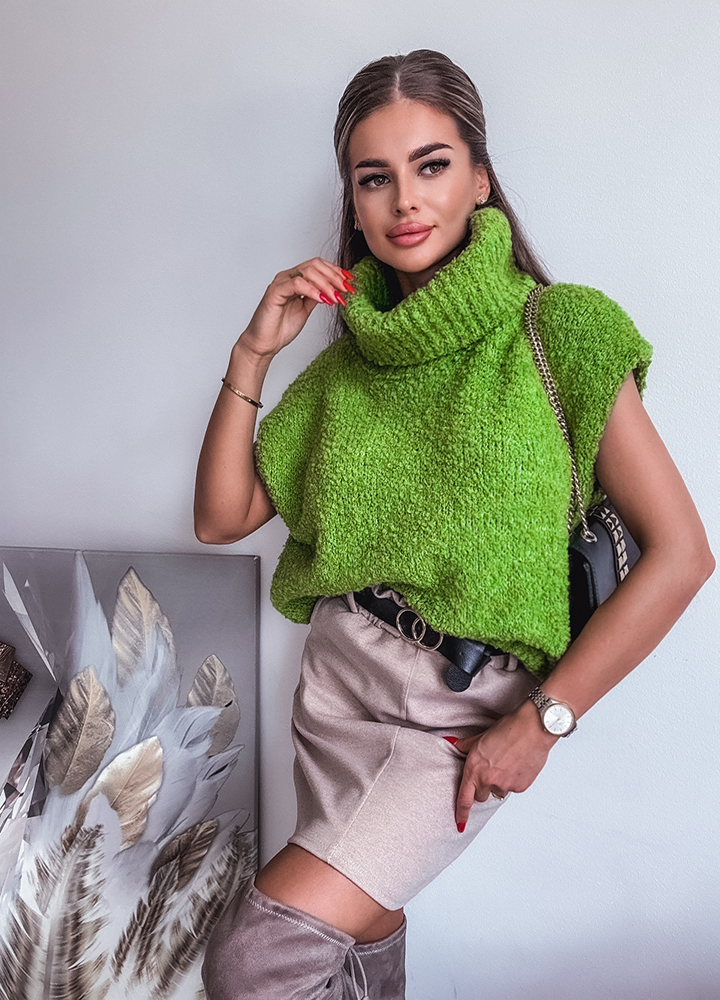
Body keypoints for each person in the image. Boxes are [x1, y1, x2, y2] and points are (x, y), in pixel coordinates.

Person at [194, 49, 714, 1000]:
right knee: (354, 947)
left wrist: (545, 720)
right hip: (337, 692)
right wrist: (252, 353)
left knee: (256, 959)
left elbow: (683, 555)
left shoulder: (563, 331)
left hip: (455, 711)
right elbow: (221, 519)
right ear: (354, 206)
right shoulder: (343, 371)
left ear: (480, 179)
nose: (405, 200)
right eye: (374, 177)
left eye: (431, 165)